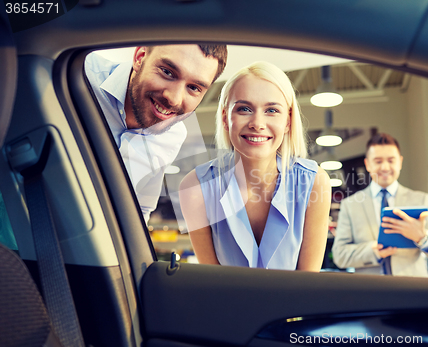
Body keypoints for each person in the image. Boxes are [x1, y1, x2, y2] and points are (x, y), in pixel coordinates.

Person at [179, 61, 331, 271]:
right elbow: (213, 284)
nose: (257, 123)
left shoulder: (314, 182)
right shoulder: (195, 187)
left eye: (271, 110)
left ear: (287, 121)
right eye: (244, 109)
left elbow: (309, 285)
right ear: (225, 118)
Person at [85, 44, 228, 222]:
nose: (174, 99)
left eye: (194, 88)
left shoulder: (173, 135)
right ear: (140, 56)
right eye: (167, 72)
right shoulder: (80, 74)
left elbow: (141, 207)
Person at [332, 133, 428, 277]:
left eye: (391, 160)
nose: (385, 167)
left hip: (413, 291)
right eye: (378, 161)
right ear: (367, 164)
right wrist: (372, 250)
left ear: (400, 162)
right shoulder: (350, 205)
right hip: (369, 292)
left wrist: (422, 237)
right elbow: (339, 255)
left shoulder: (421, 199)